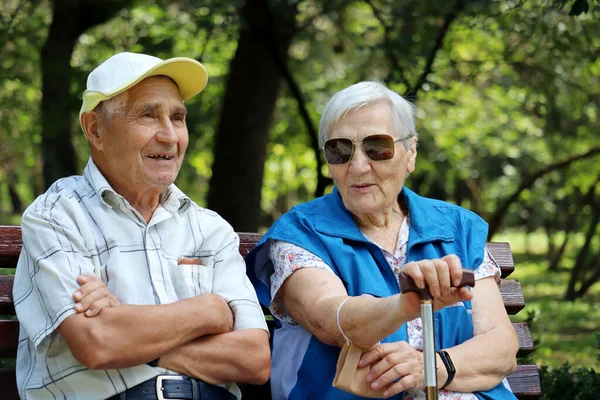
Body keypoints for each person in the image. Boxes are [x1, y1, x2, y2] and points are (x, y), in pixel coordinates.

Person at [13, 52, 270, 400]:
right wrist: (208, 311)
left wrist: (129, 333)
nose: (169, 135)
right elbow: (98, 344)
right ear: (95, 129)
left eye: (177, 118)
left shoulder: (211, 230)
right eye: (148, 115)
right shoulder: (57, 216)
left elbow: (253, 360)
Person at [245, 81, 519, 399]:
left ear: (410, 153)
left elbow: (501, 344)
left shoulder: (457, 228)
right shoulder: (299, 234)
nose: (358, 166)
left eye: (377, 148)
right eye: (340, 150)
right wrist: (409, 304)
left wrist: (432, 368)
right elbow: (331, 318)